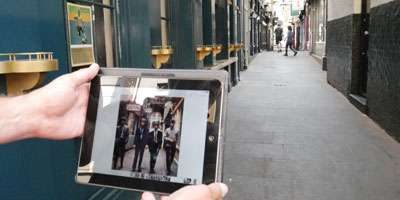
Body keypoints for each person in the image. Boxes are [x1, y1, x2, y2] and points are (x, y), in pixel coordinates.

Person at [0, 63, 228, 200]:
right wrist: (34, 112)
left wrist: (34, 112)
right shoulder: (136, 128)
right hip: (141, 148)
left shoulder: (159, 130)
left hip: (158, 148)